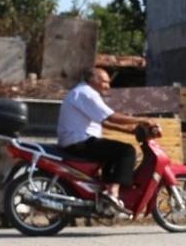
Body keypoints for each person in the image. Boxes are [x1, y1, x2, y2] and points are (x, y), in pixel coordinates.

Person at [57, 68, 156, 214]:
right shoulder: (87, 93)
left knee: (112, 152)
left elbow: (103, 121)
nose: (107, 86)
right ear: (92, 80)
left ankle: (107, 192)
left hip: (78, 141)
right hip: (79, 142)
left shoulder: (82, 93)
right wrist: (142, 119)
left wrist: (129, 130)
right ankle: (112, 193)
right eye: (104, 82)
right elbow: (111, 117)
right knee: (126, 151)